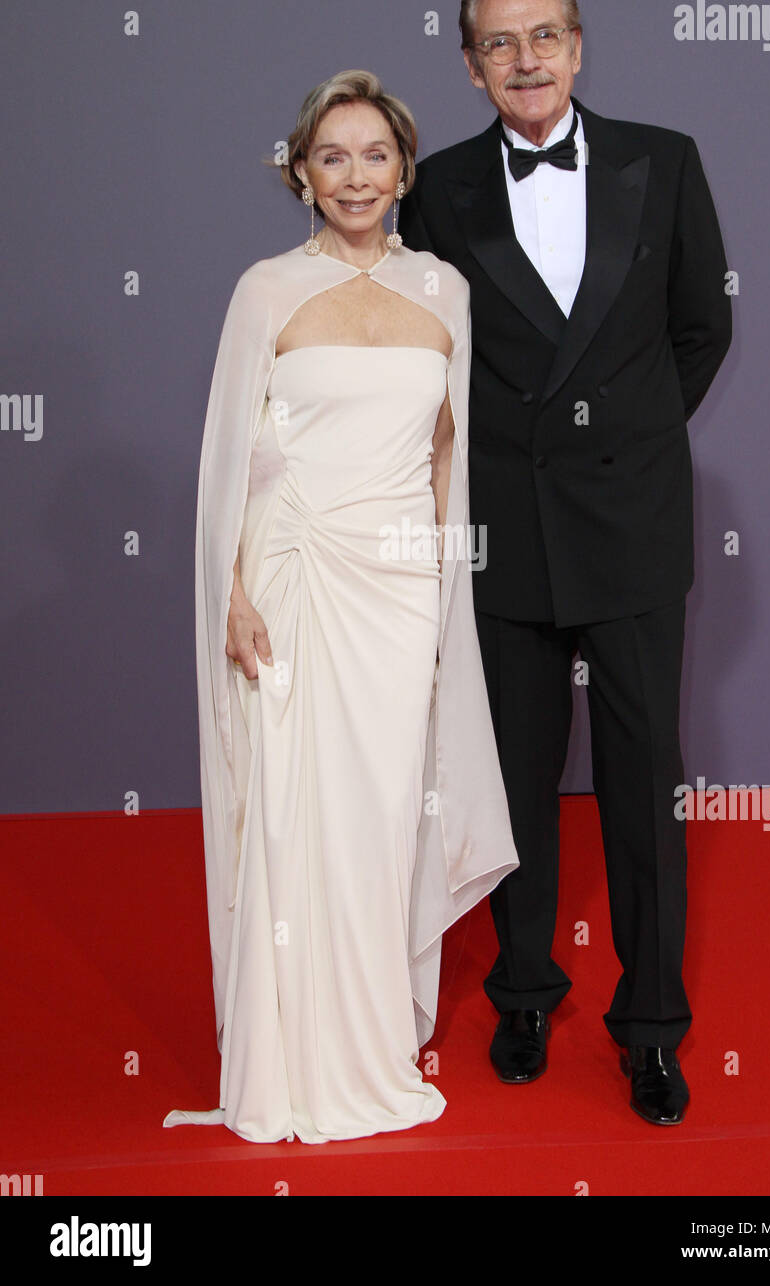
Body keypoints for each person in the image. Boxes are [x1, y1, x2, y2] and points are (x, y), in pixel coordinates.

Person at [399, 0, 732, 1125]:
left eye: (545, 36)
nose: (526, 58)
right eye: (500, 44)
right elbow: (421, 357)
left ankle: (650, 1026)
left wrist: (625, 438)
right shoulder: (433, 189)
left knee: (642, 787)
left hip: (632, 524)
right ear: (470, 66)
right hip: (507, 529)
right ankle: (525, 991)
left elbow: (701, 327)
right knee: (515, 785)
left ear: (579, 48)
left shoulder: (665, 158)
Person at [163, 70, 518, 1144]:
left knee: (378, 817)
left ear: (404, 169)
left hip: (401, 591)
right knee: (291, 812)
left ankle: (368, 1042)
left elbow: (447, 449)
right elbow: (227, 455)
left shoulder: (444, 291)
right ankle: (289, 1057)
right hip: (294, 581)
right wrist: (229, 590)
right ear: (302, 174)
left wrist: (445, 588)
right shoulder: (263, 289)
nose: (354, 176)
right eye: (332, 157)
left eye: (374, 155)